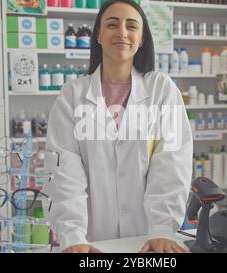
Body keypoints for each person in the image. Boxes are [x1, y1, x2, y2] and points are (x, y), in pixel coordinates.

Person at [44, 0, 193, 253]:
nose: (122, 32)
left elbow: (172, 162)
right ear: (99, 35)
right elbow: (64, 171)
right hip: (92, 241)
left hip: (150, 239)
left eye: (132, 26)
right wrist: (73, 235)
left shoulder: (161, 89)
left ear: (141, 37)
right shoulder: (73, 94)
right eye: (112, 24)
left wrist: (162, 229)